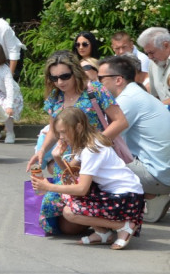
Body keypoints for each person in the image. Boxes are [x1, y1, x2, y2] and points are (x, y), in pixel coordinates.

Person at [27, 52, 130, 235]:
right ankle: (99, 224)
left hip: (93, 159)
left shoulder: (95, 90)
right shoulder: (54, 97)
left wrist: (92, 145)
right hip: (66, 163)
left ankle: (111, 223)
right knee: (55, 219)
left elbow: (120, 121)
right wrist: (42, 150)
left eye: (65, 76)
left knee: (70, 214)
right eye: (54, 77)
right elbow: (53, 130)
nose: (60, 82)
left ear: (75, 72)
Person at [30, 108, 144, 250]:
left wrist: (48, 187)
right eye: (59, 133)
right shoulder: (87, 143)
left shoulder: (91, 149)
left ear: (78, 127)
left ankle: (123, 226)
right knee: (67, 198)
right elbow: (71, 175)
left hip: (127, 197)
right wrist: (57, 157)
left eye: (64, 132)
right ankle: (103, 233)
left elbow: (81, 188)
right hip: (121, 194)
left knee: (70, 211)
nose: (61, 137)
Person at [97, 56, 170, 223]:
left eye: (100, 78)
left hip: (159, 175)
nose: (97, 83)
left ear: (118, 80)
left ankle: (112, 214)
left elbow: (105, 140)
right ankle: (152, 196)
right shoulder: (136, 93)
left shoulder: (127, 101)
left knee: (97, 163)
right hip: (163, 171)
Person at [138, 27, 170, 103]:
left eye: (151, 52)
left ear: (166, 45)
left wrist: (162, 106)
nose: (149, 57)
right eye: (147, 53)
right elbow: (155, 96)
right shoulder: (152, 65)